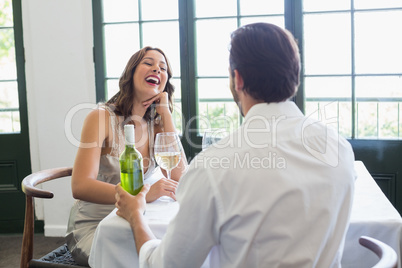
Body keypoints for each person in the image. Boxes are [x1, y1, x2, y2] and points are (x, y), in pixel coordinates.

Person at [115, 23, 356, 267]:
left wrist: (135, 216)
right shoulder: (339, 149)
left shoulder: (214, 167)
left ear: (237, 79)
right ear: (294, 78)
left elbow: (165, 265)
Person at [65, 46, 188, 266]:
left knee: (170, 251)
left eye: (163, 68)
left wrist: (166, 114)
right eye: (148, 63)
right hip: (97, 226)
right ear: (131, 73)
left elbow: (180, 176)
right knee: (144, 256)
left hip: (135, 219)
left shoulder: (157, 124)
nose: (157, 70)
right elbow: (80, 186)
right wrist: (143, 195)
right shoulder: (101, 118)